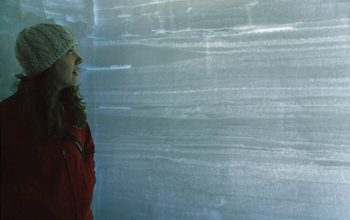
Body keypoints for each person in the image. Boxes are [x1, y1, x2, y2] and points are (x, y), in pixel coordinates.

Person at [0, 23, 96, 220]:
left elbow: (88, 151)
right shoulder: (6, 116)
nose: (79, 59)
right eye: (70, 52)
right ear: (47, 63)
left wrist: (86, 181)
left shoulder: (72, 109)